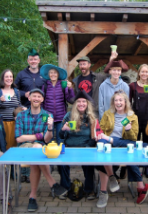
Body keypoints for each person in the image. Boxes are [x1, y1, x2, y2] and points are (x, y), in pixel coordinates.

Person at [16, 89, 68, 212]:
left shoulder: (48, 116)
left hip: (40, 148)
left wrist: (50, 129)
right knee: (37, 149)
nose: (36, 98)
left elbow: (46, 139)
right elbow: (19, 138)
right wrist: (37, 136)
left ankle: (32, 196)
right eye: (34, 96)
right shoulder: (21, 115)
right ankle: (52, 183)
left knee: (37, 154)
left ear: (42, 100)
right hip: (24, 148)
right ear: (29, 98)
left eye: (39, 96)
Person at [98, 91, 148, 204]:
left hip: (124, 145)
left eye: (121, 100)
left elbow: (133, 138)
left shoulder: (132, 116)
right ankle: (140, 186)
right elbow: (101, 129)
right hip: (110, 145)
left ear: (126, 102)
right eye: (116, 100)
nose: (118, 102)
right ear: (113, 102)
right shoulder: (107, 114)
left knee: (130, 148)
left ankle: (110, 182)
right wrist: (101, 136)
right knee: (104, 143)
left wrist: (128, 129)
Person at [58, 90, 104, 206]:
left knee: (88, 163)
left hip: (85, 147)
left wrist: (86, 147)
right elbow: (61, 136)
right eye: (79, 101)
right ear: (75, 104)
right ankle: (66, 187)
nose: (81, 104)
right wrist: (63, 130)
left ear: (87, 103)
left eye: (84, 101)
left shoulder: (92, 118)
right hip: (70, 147)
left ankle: (89, 189)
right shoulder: (68, 116)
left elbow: (93, 138)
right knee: (61, 163)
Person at [39, 63, 74, 196]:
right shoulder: (45, 85)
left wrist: (70, 89)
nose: (53, 75)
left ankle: (62, 168)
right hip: (48, 117)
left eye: (55, 73)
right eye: (51, 73)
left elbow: (70, 100)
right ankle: (48, 166)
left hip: (60, 118)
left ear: (58, 75)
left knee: (60, 142)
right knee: (47, 140)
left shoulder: (63, 84)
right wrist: (44, 116)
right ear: (48, 75)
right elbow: (41, 102)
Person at [0, 69, 24, 152]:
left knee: (13, 148)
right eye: (6, 76)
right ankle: (3, 165)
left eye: (11, 76)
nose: (9, 78)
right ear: (3, 78)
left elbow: (18, 105)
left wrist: (23, 108)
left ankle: (12, 165)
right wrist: (0, 101)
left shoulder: (16, 91)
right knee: (3, 146)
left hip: (14, 123)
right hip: (2, 124)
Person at [131, 64, 148, 144]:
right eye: (142, 71)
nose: (144, 74)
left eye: (147, 72)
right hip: (136, 118)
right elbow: (128, 102)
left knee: (147, 142)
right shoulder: (133, 86)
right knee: (135, 141)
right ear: (139, 73)